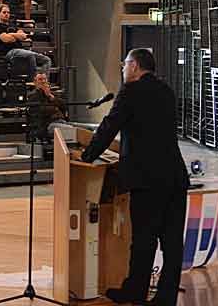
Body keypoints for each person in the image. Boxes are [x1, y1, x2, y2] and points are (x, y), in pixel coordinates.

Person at [77, 49, 187, 306]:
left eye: (124, 64)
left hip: (147, 180)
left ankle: (135, 292)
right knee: (171, 243)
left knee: (144, 240)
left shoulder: (130, 92)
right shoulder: (167, 91)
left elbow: (109, 127)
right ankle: (165, 297)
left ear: (135, 66)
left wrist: (87, 155)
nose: (123, 69)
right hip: (174, 177)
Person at [0, 4, 51, 75]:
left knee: (47, 60)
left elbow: (23, 36)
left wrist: (11, 34)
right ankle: (33, 80)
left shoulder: (13, 25)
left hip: (20, 50)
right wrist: (15, 36)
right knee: (30, 56)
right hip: (8, 52)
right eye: (4, 12)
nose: (7, 14)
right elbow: (7, 39)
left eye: (8, 12)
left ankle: (43, 82)